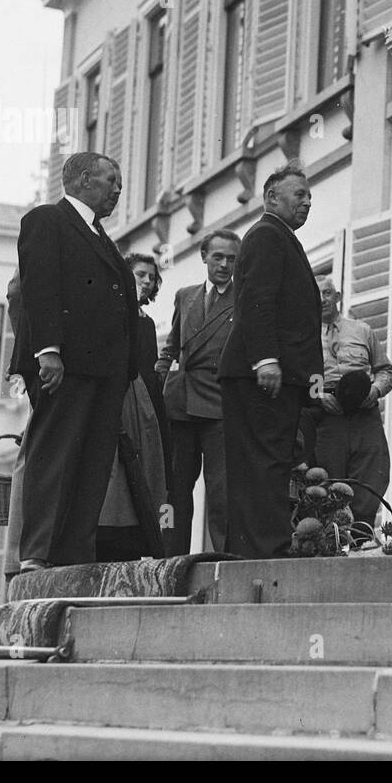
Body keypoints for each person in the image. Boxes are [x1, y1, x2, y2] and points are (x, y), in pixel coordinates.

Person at [9, 152, 137, 571]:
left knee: (93, 463)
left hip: (105, 372)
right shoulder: (48, 220)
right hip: (63, 367)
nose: (118, 189)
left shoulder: (100, 236)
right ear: (84, 180)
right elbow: (39, 286)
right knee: (55, 455)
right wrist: (48, 350)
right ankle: (37, 553)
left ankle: (73, 557)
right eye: (110, 180)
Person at [218, 162, 322, 560]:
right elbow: (256, 302)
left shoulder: (279, 237)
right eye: (300, 195)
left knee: (266, 463)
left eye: (310, 196)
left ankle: (255, 549)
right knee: (262, 463)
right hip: (260, 374)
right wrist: (265, 359)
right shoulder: (266, 236)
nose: (307, 202)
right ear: (271, 198)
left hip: (272, 374)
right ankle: (263, 550)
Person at [157, 229, 239, 554]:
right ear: (204, 256)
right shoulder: (185, 295)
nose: (224, 265)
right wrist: (161, 381)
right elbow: (171, 348)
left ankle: (224, 557)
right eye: (217, 257)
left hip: (220, 405)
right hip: (179, 404)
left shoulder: (244, 298)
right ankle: (168, 556)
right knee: (174, 491)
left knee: (221, 490)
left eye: (231, 259)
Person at [96, 253, 169, 561]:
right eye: (140, 275)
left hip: (143, 406)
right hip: (115, 398)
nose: (146, 282)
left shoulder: (147, 323)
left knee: (143, 473)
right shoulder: (108, 312)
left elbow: (148, 371)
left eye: (151, 278)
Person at [313, 275, 392, 529]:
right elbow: (303, 374)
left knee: (371, 475)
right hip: (327, 414)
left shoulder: (362, 330)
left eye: (327, 293)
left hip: (363, 411)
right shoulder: (304, 336)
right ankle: (332, 542)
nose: (322, 299)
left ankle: (361, 536)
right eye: (316, 294)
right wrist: (319, 395)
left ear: (337, 297)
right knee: (327, 482)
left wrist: (375, 390)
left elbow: (385, 371)